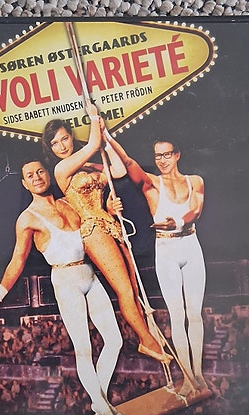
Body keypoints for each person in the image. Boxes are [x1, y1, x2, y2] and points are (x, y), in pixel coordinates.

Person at [0, 160, 124, 415]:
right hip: (65, 280)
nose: (36, 177)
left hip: (90, 274)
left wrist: (109, 211)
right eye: (29, 175)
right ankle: (102, 407)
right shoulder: (28, 218)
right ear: (24, 183)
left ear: (48, 174)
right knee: (84, 349)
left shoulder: (70, 203)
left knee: (115, 341)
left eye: (40, 171)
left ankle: (100, 401)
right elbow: (17, 260)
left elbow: (95, 220)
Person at [41, 104, 171, 364]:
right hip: (93, 231)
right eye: (55, 143)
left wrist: (106, 136)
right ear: (50, 149)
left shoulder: (87, 167)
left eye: (64, 138)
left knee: (134, 288)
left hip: (110, 224)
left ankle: (148, 338)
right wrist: (93, 120)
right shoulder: (61, 170)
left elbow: (119, 170)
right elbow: (91, 145)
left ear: (71, 137)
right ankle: (147, 341)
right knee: (124, 290)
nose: (62, 146)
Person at [106, 135, 208, 396]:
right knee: (177, 316)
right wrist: (106, 136)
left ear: (177, 155)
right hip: (166, 250)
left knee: (194, 314)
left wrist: (178, 222)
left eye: (166, 154)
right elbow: (127, 161)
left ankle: (199, 375)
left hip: (191, 244)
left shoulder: (195, 181)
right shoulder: (152, 183)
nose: (162, 160)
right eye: (157, 156)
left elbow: (196, 211)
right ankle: (187, 378)